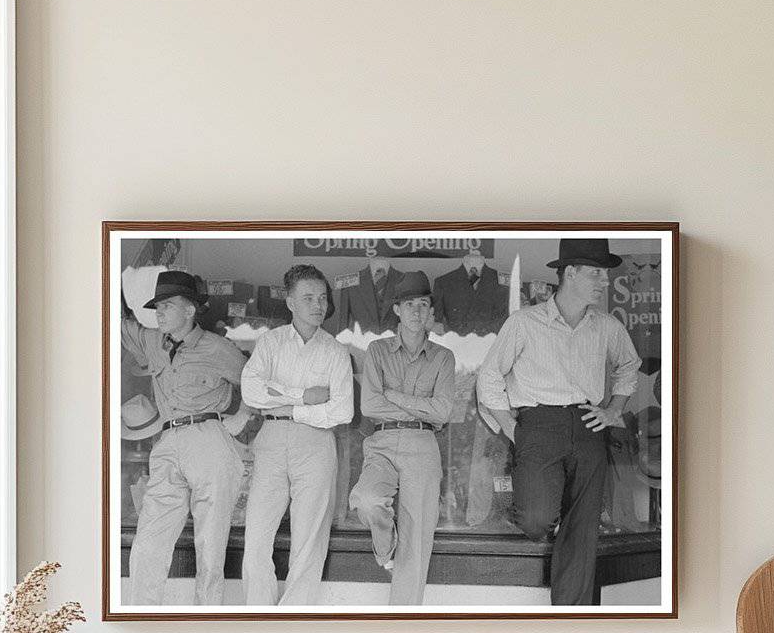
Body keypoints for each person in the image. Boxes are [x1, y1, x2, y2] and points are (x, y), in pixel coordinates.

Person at [477, 238, 641, 606]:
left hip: (588, 425)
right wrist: (510, 427)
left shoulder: (607, 327)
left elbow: (629, 367)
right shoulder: (525, 323)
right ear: (570, 273)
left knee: (583, 531)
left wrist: (613, 409)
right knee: (536, 518)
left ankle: (571, 615)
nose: (604, 281)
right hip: (537, 425)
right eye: (596, 273)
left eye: (605, 274)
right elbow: (489, 377)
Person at [122, 270, 249, 606]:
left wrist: (240, 421)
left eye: (166, 306)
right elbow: (120, 322)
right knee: (149, 542)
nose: (159, 313)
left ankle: (206, 624)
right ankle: (142, 620)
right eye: (157, 307)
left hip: (209, 438)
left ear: (190, 310)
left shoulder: (219, 348)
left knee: (210, 546)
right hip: (167, 441)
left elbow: (255, 386)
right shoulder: (152, 342)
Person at [240, 264, 354, 605]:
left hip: (315, 444)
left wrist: (288, 407)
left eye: (322, 298)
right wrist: (303, 397)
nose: (317, 305)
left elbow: (342, 411)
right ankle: (258, 615)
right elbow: (251, 392)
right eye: (308, 298)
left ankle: (293, 616)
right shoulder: (270, 343)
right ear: (290, 303)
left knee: (309, 539)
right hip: (272, 442)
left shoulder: (335, 351)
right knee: (257, 536)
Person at [349, 271, 455, 605]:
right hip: (381, 444)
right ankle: (385, 547)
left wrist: (395, 397)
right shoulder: (377, 351)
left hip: (423, 448)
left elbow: (443, 412)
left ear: (431, 312)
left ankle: (403, 622)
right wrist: (419, 408)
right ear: (397, 310)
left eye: (423, 304)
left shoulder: (443, 357)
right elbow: (369, 405)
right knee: (366, 500)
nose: (416, 311)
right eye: (409, 304)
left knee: (417, 541)